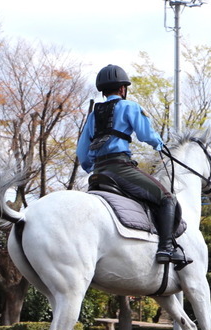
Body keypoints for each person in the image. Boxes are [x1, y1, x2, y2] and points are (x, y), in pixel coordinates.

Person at [76, 64, 189, 266]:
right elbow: (146, 134)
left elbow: (82, 153)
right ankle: (166, 248)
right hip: (120, 168)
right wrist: (159, 145)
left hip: (98, 173)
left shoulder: (93, 115)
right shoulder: (129, 107)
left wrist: (91, 167)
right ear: (122, 89)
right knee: (166, 198)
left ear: (103, 91)